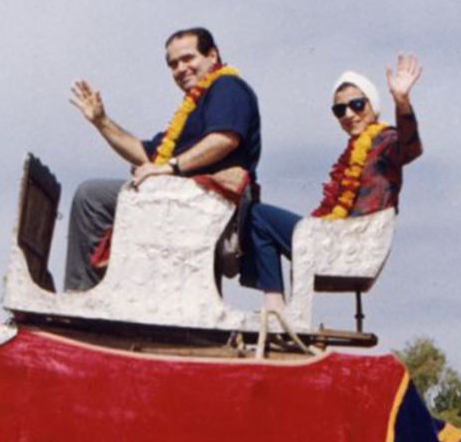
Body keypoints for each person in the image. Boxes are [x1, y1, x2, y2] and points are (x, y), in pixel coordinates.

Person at [65, 27, 262, 290]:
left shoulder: (227, 86)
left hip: (209, 205)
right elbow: (145, 154)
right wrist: (101, 122)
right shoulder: (194, 106)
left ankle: (83, 292)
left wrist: (170, 168)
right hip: (186, 201)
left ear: (212, 56)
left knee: (92, 196)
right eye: (173, 64)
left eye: (188, 58)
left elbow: (224, 139)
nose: (181, 68)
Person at [247, 53, 424, 310]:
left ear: (373, 106)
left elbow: (411, 148)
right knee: (256, 218)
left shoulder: (384, 141)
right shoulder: (350, 154)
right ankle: (276, 303)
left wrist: (402, 101)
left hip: (352, 242)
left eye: (357, 105)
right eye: (339, 109)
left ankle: (274, 303)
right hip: (336, 236)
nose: (349, 114)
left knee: (257, 216)